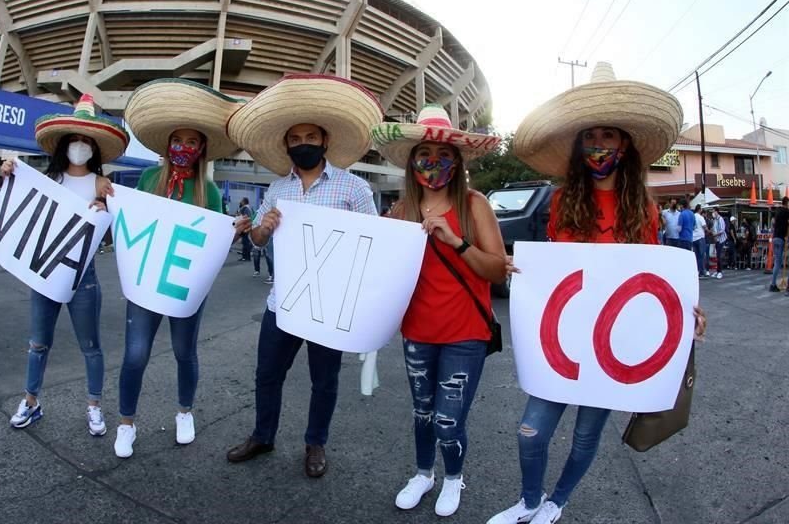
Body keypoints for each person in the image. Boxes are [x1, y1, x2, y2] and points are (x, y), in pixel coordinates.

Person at [489, 63, 707, 524]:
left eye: (609, 135)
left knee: (587, 439)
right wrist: (521, 270)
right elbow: (555, 267)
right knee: (531, 432)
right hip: (563, 340)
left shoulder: (644, 209)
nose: (599, 145)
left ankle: (557, 502)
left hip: (611, 343)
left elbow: (653, 277)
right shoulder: (563, 201)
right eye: (591, 135)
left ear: (624, 144)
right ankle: (529, 501)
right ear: (579, 143)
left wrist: (688, 314)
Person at [224, 74, 384, 478]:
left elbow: (374, 242)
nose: (303, 144)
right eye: (295, 139)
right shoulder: (277, 191)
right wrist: (263, 228)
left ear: (325, 141)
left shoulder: (355, 189)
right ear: (287, 146)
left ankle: (316, 443)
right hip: (284, 302)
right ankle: (263, 435)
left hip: (330, 304)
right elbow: (259, 241)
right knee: (267, 374)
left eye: (310, 137)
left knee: (324, 380)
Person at [372, 105, 508, 517]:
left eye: (443, 155)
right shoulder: (401, 211)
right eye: (424, 155)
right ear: (412, 162)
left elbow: (498, 268)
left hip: (465, 333)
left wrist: (457, 243)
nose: (433, 163)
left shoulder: (474, 204)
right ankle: (423, 473)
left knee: (449, 420)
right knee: (423, 412)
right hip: (418, 332)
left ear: (457, 160)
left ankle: (453, 477)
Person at [111, 79, 247, 458]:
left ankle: (184, 412)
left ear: (202, 149)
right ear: (167, 144)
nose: (184, 148)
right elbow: (131, 223)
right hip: (144, 283)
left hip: (185, 286)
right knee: (135, 354)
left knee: (184, 352)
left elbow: (212, 244)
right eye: (178, 140)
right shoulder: (147, 179)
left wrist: (234, 233)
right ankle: (126, 423)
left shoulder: (211, 191)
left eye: (192, 142)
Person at [6, 94, 128, 435]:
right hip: (45, 272)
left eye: (86, 141)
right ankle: (31, 401)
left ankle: (94, 407)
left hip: (82, 275)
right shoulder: (49, 183)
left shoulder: (103, 185)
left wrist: (106, 213)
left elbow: (112, 234)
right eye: (74, 139)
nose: (79, 146)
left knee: (90, 346)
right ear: (63, 144)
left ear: (95, 148)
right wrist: (9, 174)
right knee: (37, 343)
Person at [769, 196, 789, 292]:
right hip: (781, 239)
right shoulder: (786, 211)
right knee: (778, 262)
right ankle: (773, 285)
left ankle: (772, 284)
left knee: (777, 262)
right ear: (787, 203)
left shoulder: (778, 211)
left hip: (775, 238)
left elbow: (773, 222)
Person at [709, 209, 726, 278]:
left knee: (719, 255)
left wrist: (716, 235)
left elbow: (722, 229)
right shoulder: (715, 220)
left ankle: (720, 272)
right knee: (717, 255)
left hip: (721, 240)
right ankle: (717, 270)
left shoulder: (720, 219)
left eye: (713, 211)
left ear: (717, 212)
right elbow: (714, 228)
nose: (713, 213)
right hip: (716, 240)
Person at [692, 204, 708, 278]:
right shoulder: (700, 217)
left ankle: (696, 271)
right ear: (699, 209)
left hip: (693, 238)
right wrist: (709, 231)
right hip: (700, 237)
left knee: (696, 256)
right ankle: (701, 272)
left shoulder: (692, 216)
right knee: (701, 255)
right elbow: (704, 227)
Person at [237, 197, 253, 261]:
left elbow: (246, 217)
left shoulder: (245, 208)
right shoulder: (248, 207)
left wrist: (239, 218)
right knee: (246, 242)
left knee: (245, 242)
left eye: (241, 201)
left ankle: (245, 257)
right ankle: (246, 256)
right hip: (247, 226)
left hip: (245, 226)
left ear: (244, 202)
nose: (240, 202)